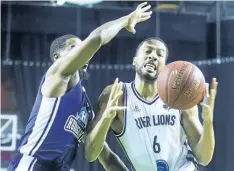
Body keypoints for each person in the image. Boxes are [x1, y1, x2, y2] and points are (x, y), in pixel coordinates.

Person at [8, 2, 152, 170]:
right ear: (57, 57)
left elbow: (103, 156)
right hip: (33, 164)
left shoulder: (84, 107)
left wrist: (105, 117)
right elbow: (96, 38)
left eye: (82, 47)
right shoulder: (57, 75)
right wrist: (125, 20)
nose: (82, 51)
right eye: (74, 47)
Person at [86, 37, 218, 171]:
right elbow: (91, 154)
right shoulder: (116, 95)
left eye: (159, 54)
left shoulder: (179, 97)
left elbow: (204, 158)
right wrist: (106, 118)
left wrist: (208, 121)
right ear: (135, 60)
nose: (153, 56)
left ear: (165, 67)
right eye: (148, 51)